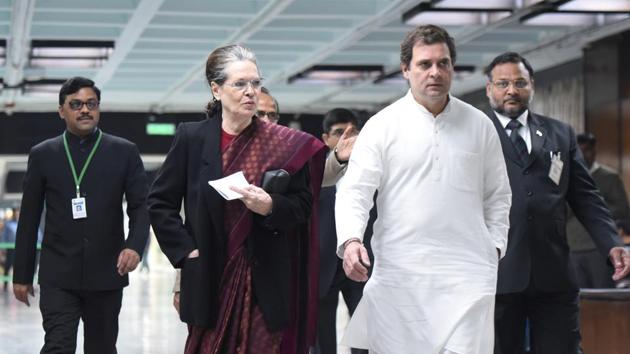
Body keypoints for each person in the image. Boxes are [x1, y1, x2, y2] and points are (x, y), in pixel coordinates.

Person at [336, 24, 512, 354]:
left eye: (443, 63)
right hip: (400, 277)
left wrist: (495, 247)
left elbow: (498, 194)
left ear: (452, 68)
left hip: (467, 276)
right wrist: (351, 240)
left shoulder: (479, 125)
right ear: (405, 69)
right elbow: (355, 190)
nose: (435, 72)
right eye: (424, 64)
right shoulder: (382, 126)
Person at [148, 44, 326, 354]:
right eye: (240, 84)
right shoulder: (192, 138)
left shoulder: (281, 143)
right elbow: (160, 202)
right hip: (209, 273)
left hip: (266, 277)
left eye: (255, 83)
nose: (251, 92)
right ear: (216, 90)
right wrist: (185, 251)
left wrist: (270, 206)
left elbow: (303, 205)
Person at [484, 52, 630, 354]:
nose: (511, 90)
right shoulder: (475, 133)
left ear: (532, 85)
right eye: (503, 83)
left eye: (519, 82)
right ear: (489, 89)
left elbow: (586, 197)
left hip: (553, 275)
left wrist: (611, 243)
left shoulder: (559, 133)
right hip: (495, 275)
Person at [12, 76, 150, 354]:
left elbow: (141, 206)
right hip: (58, 274)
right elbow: (28, 217)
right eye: (76, 104)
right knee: (57, 346)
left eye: (91, 104)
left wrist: (134, 246)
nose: (84, 109)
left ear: (98, 108)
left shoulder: (124, 152)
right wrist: (22, 273)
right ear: (61, 110)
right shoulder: (43, 154)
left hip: (108, 271)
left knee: (101, 347)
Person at [170, 85, 282, 315]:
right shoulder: (208, 148)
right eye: (260, 114)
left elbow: (315, 177)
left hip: (264, 274)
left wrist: (339, 159)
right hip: (211, 270)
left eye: (273, 115)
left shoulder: (283, 150)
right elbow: (190, 218)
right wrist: (183, 273)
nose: (267, 120)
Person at [315, 108, 369, 354]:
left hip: (361, 262)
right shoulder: (314, 172)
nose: (347, 138)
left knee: (364, 334)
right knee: (322, 338)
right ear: (326, 138)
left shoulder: (370, 170)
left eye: (353, 132)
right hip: (323, 262)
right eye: (339, 132)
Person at [567, 133, 630, 288]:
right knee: (578, 298)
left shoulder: (609, 177)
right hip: (572, 247)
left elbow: (622, 209)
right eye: (579, 151)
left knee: (602, 296)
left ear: (594, 151)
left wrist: (589, 208)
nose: (583, 155)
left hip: (599, 248)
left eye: (587, 150)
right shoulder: (568, 177)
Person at [2, 208, 18, 291]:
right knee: (7, 266)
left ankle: (18, 285)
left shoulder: (20, 223)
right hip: (10, 248)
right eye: (16, 212)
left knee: (18, 267)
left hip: (19, 249)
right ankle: (5, 285)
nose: (17, 214)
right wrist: (3, 248)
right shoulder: (8, 224)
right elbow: (4, 236)